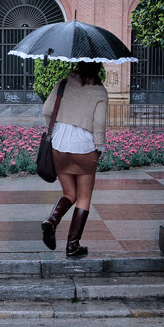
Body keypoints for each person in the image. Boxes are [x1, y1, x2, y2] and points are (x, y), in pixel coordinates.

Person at [40, 61, 109, 256]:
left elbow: (47, 110)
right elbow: (99, 123)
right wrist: (99, 147)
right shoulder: (99, 91)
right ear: (98, 69)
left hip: (59, 144)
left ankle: (52, 221)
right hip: (86, 147)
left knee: (70, 193)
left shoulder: (63, 84)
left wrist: (56, 129)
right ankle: (72, 245)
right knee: (84, 197)